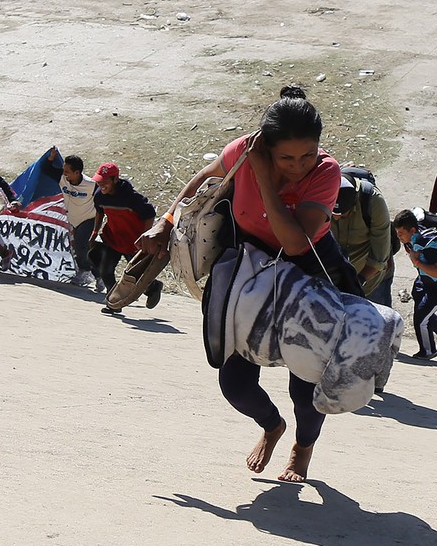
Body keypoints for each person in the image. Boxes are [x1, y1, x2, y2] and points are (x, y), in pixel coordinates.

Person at [137, 88, 342, 481]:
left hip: (308, 272)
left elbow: (296, 241)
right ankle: (271, 425)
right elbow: (205, 177)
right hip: (248, 267)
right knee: (234, 382)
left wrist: (267, 179)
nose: (299, 166)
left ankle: (303, 448)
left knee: (306, 383)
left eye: (307, 155)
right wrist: (165, 219)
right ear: (265, 146)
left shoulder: (326, 172)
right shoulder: (243, 152)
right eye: (286, 158)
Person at [93, 165, 160, 313]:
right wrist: (95, 230)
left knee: (136, 277)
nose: (101, 185)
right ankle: (114, 303)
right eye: (99, 181)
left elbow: (149, 214)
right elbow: (99, 211)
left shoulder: (131, 198)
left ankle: (153, 287)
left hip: (133, 243)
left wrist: (145, 237)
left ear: (115, 179)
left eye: (105, 182)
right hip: (112, 239)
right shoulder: (99, 195)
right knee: (105, 271)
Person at [330, 170, 394, 306]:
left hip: (372, 281)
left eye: (342, 214)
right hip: (336, 282)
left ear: (354, 202)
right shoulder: (322, 196)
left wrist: (356, 283)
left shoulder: (373, 202)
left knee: (379, 324)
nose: (336, 217)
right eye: (332, 212)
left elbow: (379, 259)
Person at [399, 219, 437, 359]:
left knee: (420, 319)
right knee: (422, 313)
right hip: (423, 281)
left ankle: (428, 351)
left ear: (412, 231)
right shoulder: (412, 238)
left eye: (401, 233)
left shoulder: (430, 246)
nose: (399, 237)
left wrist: (416, 261)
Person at [58, 154, 97, 275]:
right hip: (73, 220)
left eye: (67, 172)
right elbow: (45, 169)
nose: (65, 174)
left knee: (81, 246)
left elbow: (103, 199)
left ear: (77, 172)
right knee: (76, 248)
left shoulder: (91, 185)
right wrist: (50, 157)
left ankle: (87, 272)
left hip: (88, 218)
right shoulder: (62, 179)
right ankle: (95, 274)